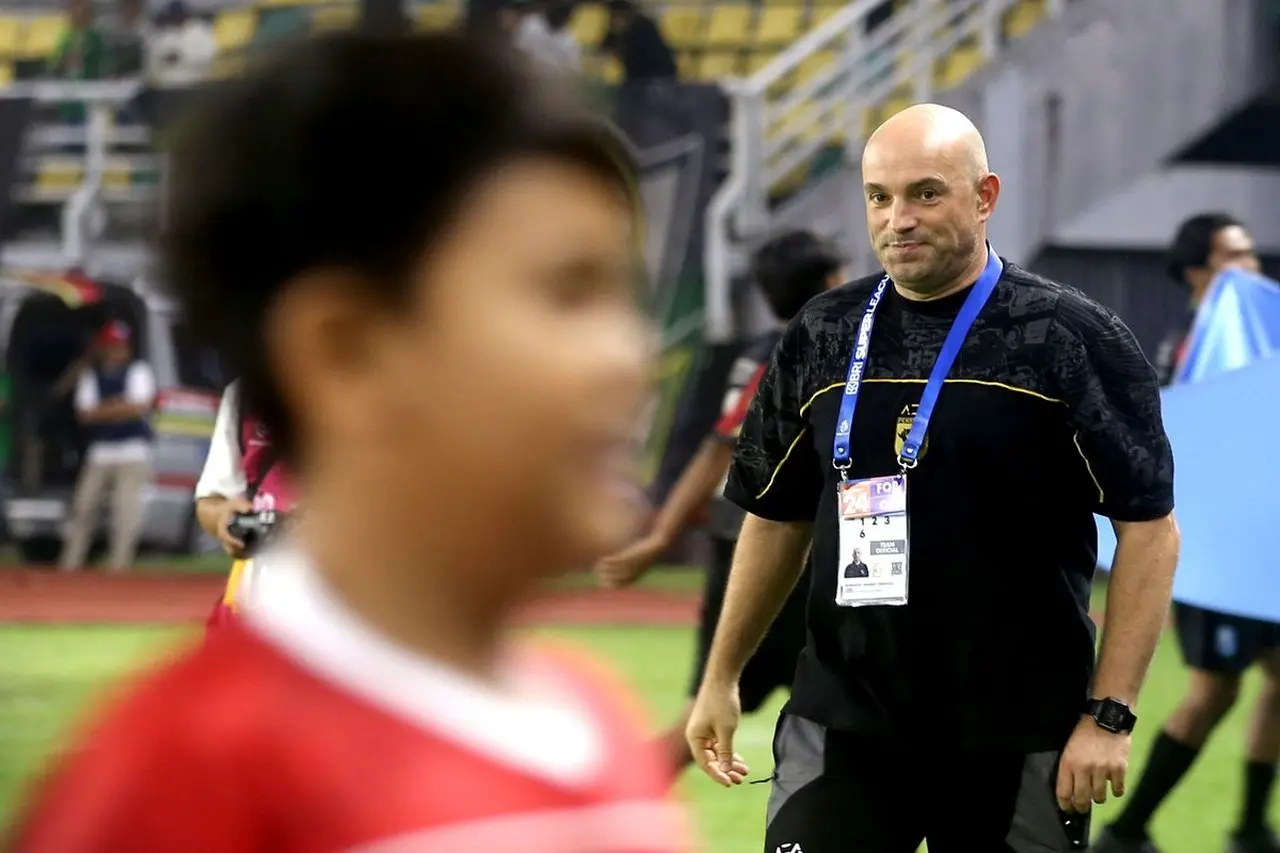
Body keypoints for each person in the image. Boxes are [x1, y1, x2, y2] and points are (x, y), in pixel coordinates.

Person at [6, 32, 687, 852]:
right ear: (348, 351)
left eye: (623, 295)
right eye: (564, 292)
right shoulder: (186, 786)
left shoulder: (593, 723)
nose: (629, 356)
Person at [685, 103, 1180, 853]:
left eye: (925, 192)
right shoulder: (822, 333)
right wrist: (721, 675)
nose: (898, 218)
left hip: (1016, 730)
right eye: (879, 196)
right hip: (845, 720)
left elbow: (1149, 529)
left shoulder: (1069, 337)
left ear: (985, 197)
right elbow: (774, 513)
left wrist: (1108, 715)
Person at [595, 229, 843, 775]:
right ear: (832, 281)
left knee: (706, 710)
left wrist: (661, 536)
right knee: (862, 708)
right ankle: (605, 807)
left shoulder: (756, 354)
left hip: (734, 537)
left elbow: (716, 449)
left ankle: (605, 808)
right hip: (792, 550)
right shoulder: (825, 348)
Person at [1095, 216, 1278, 853]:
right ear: (1196, 270)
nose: (1250, 267)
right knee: (1214, 690)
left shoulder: (1261, 339)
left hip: (1264, 553)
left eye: (1252, 254)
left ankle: (1252, 827)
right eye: (1234, 255)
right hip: (1217, 555)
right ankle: (1128, 827)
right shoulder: (1189, 352)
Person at [195, 379, 296, 628]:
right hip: (259, 598)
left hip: (361, 607)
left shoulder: (390, 381)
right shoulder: (243, 395)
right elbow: (212, 499)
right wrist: (224, 518)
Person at [58, 320, 156, 572]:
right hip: (100, 451)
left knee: (125, 512)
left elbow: (138, 407)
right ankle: (70, 565)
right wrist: (118, 406)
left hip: (132, 451)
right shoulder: (93, 374)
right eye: (112, 345)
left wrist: (106, 410)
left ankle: (118, 567)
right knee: (83, 508)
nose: (117, 351)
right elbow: (84, 413)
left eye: (121, 345)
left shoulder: (138, 371)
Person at [601, 0, 676, 82]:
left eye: (617, 17)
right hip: (636, 78)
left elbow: (641, 58)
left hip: (656, 77)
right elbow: (605, 48)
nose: (615, 21)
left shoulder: (643, 28)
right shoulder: (616, 30)